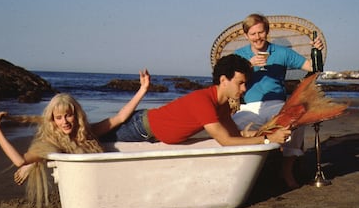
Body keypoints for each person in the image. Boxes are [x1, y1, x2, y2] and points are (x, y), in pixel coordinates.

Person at [0, 69, 150, 208]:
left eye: (68, 115)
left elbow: (120, 117)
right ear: (53, 120)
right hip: (86, 191)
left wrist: (143, 89)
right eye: (59, 117)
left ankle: (35, 163)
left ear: (77, 115)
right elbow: (19, 161)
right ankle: (35, 162)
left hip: (103, 184)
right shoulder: (53, 142)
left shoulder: (88, 132)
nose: (64, 121)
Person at [101, 55, 292, 148]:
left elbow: (234, 135)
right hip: (140, 127)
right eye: (240, 83)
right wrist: (267, 139)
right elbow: (225, 141)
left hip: (151, 132)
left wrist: (263, 133)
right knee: (89, 136)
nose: (244, 89)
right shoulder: (204, 102)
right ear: (224, 80)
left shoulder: (223, 105)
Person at [231, 13, 324, 189]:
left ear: (266, 32)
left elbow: (313, 67)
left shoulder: (282, 53)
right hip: (249, 107)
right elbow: (227, 80)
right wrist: (248, 65)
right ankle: (247, 172)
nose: (257, 37)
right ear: (246, 35)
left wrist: (317, 51)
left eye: (261, 32)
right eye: (253, 34)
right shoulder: (239, 56)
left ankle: (286, 170)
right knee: (233, 127)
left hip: (277, 104)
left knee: (297, 119)